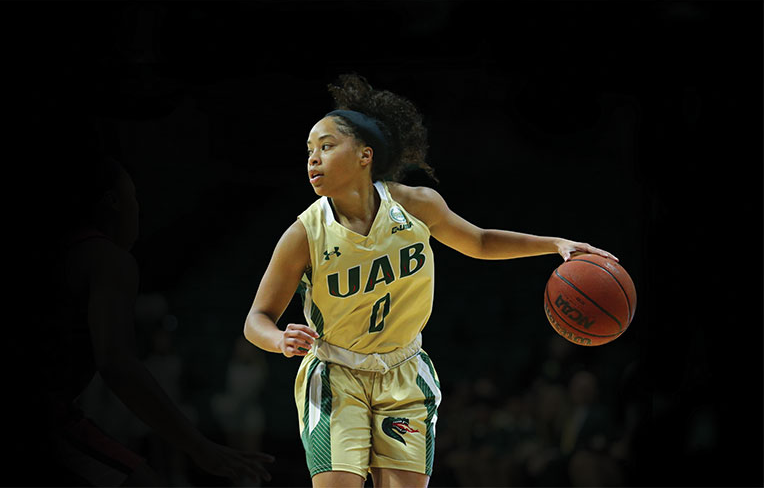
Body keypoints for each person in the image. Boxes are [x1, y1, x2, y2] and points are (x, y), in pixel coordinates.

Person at [243, 74, 616, 488]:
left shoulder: (416, 205)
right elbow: (256, 318)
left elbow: (479, 241)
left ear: (365, 155)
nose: (313, 158)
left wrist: (555, 244)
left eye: (326, 146)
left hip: (404, 369)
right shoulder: (304, 235)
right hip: (336, 372)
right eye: (309, 150)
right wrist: (277, 340)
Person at [37, 145, 274, 486]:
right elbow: (117, 364)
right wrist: (199, 446)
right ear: (112, 202)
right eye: (133, 196)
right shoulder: (106, 260)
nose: (140, 209)